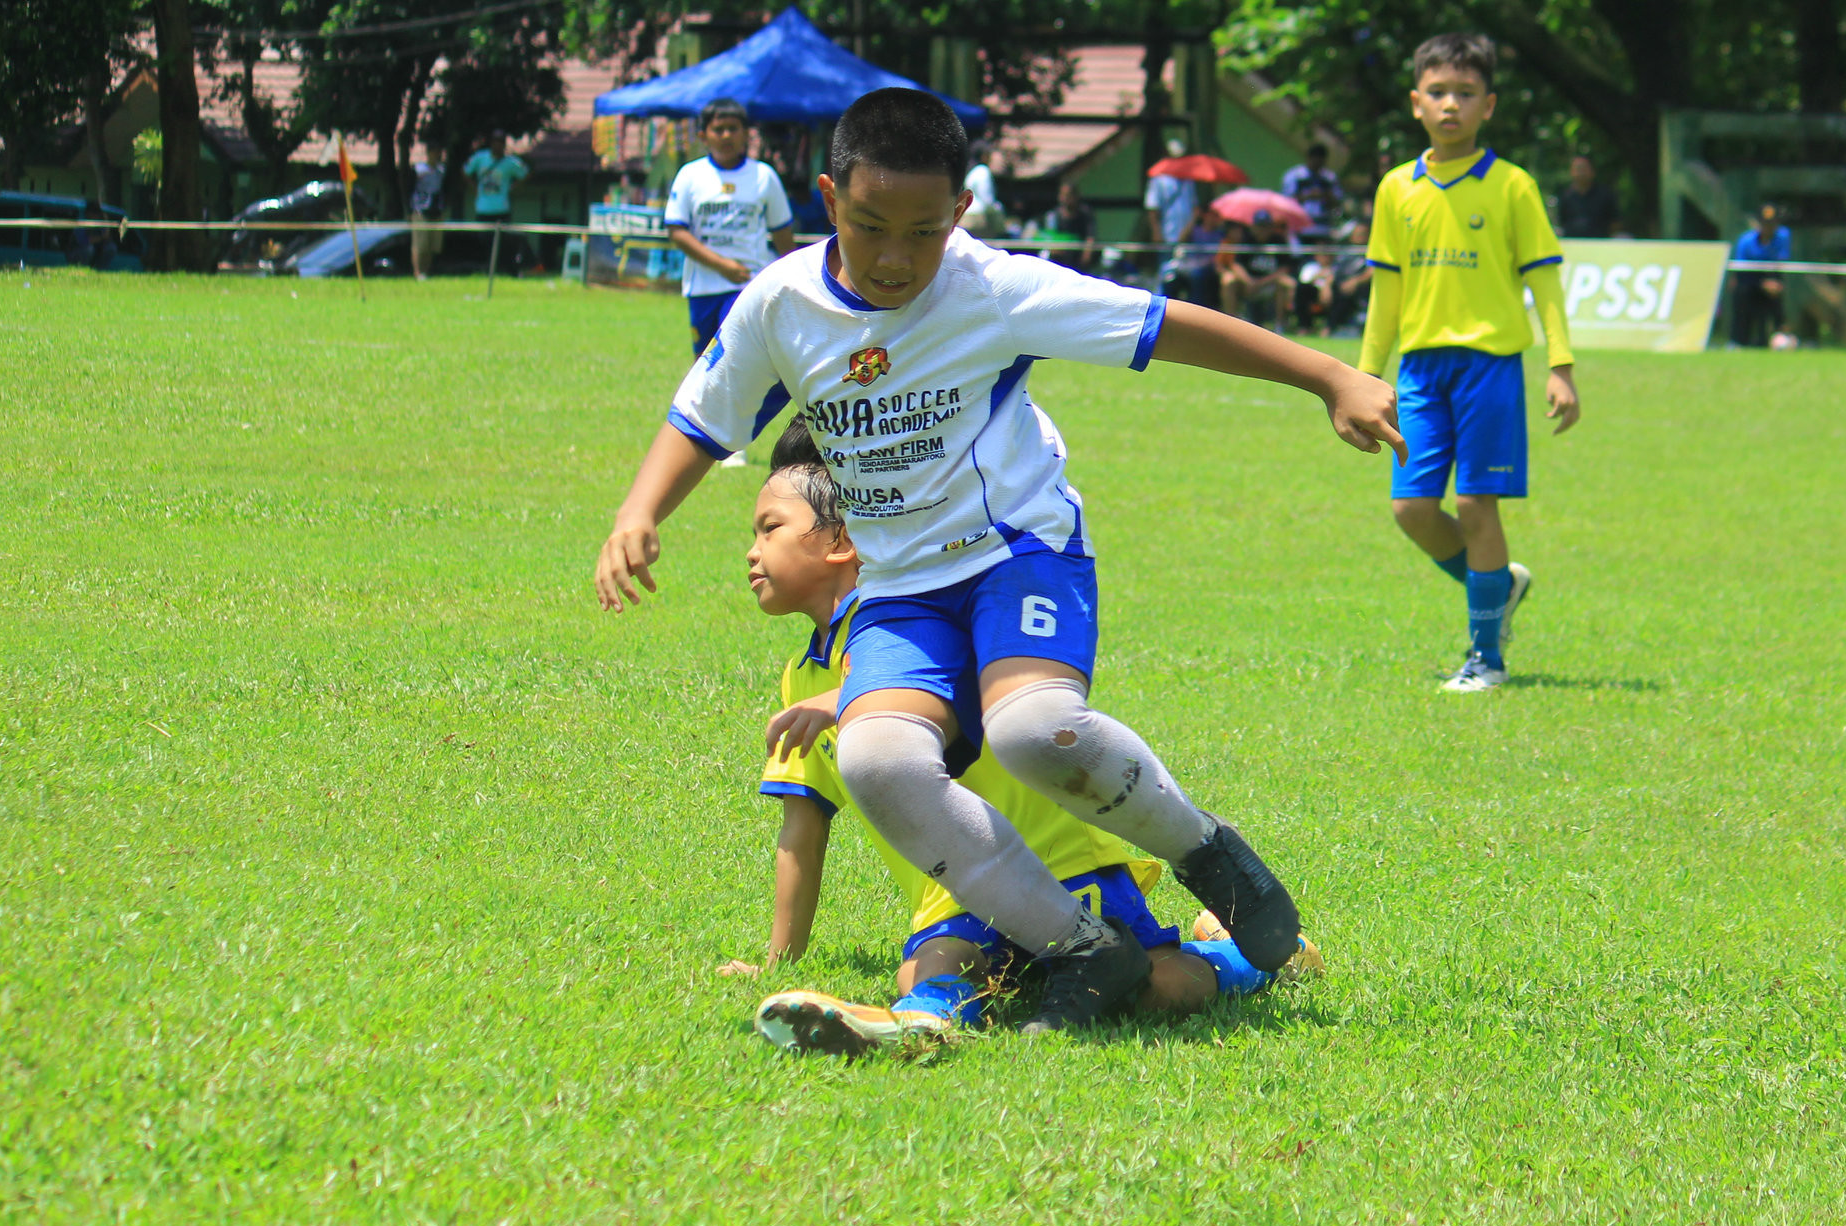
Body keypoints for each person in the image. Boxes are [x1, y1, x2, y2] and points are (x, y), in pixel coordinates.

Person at [593, 87, 1403, 1033]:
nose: (896, 257)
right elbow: (704, 416)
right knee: (877, 758)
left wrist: (1330, 375)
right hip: (898, 585)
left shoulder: (992, 288)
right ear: (826, 198)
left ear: (961, 214)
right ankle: (1080, 949)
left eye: (924, 231)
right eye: (869, 227)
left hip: (1017, 551)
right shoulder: (780, 303)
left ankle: (1208, 854)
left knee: (1032, 731)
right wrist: (639, 511)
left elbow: (1161, 323)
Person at [723, 422, 1314, 1054]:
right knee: (935, 964)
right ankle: (917, 1023)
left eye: (770, 528)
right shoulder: (800, 678)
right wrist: (778, 960)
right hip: (954, 890)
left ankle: (1243, 957)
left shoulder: (925, 611)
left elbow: (968, 688)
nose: (751, 551)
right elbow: (802, 829)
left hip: (1059, 863)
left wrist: (851, 700)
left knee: (1161, 990)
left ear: (844, 540)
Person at [1360, 31, 1578, 695]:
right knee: (1412, 510)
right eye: (1437, 92)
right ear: (1415, 102)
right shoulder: (1397, 188)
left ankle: (1486, 657)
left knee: (1477, 505)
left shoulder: (1512, 186)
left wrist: (1560, 364)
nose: (1449, 104)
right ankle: (1499, 586)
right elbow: (1386, 291)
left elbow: (1543, 281)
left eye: (1464, 93)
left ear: (1488, 105)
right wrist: (1365, 375)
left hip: (1489, 366)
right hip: (1420, 372)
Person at [664, 98, 797, 357]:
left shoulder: (764, 176)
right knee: (704, 363)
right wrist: (722, 265)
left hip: (748, 284)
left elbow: (782, 235)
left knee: (736, 357)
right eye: (718, 129)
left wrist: (792, 283)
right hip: (703, 286)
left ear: (747, 134)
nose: (726, 135)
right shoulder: (690, 175)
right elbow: (677, 231)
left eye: (734, 129)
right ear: (703, 136)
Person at [1216, 210, 1296, 329]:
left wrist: (1261, 283)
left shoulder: (1278, 241)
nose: (1262, 230)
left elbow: (1284, 268)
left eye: (1265, 227)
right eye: (1259, 226)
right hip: (1247, 284)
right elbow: (1236, 265)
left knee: (1287, 283)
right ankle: (1230, 324)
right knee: (1228, 280)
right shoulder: (1246, 240)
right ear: (1253, 227)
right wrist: (1248, 281)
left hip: (1269, 285)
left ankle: (1280, 325)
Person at [464, 131, 529, 272]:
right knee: (484, 241)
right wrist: (474, 188)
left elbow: (525, 173)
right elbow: (466, 172)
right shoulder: (480, 158)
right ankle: (487, 268)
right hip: (483, 209)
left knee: (504, 241)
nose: (497, 145)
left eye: (500, 142)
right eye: (495, 141)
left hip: (502, 209)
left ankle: (504, 268)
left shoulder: (510, 163)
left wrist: (513, 189)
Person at [1728, 204, 1792, 347]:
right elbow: (1741, 271)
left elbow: (1780, 264)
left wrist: (1774, 283)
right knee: (1742, 296)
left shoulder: (1782, 237)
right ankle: (1737, 341)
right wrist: (1762, 284)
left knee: (1776, 301)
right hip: (1749, 282)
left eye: (1771, 224)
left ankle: (1781, 336)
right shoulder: (1746, 241)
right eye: (1764, 224)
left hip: (1772, 280)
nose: (1768, 228)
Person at [1142, 137, 1199, 274]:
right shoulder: (1158, 179)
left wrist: (1188, 230)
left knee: (1187, 273)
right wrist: (1156, 232)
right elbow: (1152, 207)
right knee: (1166, 273)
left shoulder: (1188, 180)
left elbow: (1195, 208)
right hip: (1166, 236)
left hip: (1186, 237)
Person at [1035, 179, 1098, 273]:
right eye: (1063, 195)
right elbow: (1049, 237)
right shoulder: (1053, 215)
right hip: (1058, 258)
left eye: (1068, 195)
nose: (1065, 199)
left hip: (1077, 256)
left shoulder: (1085, 214)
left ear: (1075, 196)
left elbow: (1090, 237)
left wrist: (1087, 254)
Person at [1280, 144, 1344, 234]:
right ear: (1309, 158)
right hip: (1299, 225)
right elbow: (1286, 201)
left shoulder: (1329, 178)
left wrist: (1325, 195)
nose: (1317, 164)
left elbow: (1338, 202)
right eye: (1315, 160)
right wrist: (1308, 196)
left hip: (1323, 225)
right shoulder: (1295, 176)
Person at [1554, 155, 1621, 240]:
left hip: (1600, 244)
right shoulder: (1565, 196)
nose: (1581, 173)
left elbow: (1615, 222)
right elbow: (1561, 222)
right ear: (1571, 172)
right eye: (1578, 169)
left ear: (1592, 171)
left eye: (1584, 169)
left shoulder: (1605, 195)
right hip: (1572, 244)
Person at [408, 142, 446, 279]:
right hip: (420, 210)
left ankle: (426, 272)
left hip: (436, 210)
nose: (438, 155)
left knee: (432, 244)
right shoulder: (419, 170)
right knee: (420, 244)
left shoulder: (441, 171)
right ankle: (417, 272)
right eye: (435, 152)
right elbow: (409, 188)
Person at [960, 143, 1005, 238]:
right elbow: (987, 199)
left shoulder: (971, 171)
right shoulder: (983, 171)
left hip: (966, 216)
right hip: (979, 219)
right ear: (983, 155)